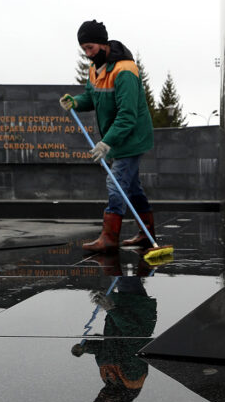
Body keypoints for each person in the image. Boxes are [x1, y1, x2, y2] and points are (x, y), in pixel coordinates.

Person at [60, 20, 156, 253]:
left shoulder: (125, 71)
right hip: (117, 138)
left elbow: (127, 115)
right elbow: (91, 97)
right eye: (83, 49)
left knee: (115, 183)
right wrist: (75, 102)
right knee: (131, 188)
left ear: (103, 44)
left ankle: (109, 237)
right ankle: (146, 234)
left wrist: (106, 142)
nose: (87, 54)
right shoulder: (95, 69)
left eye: (90, 47)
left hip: (132, 137)